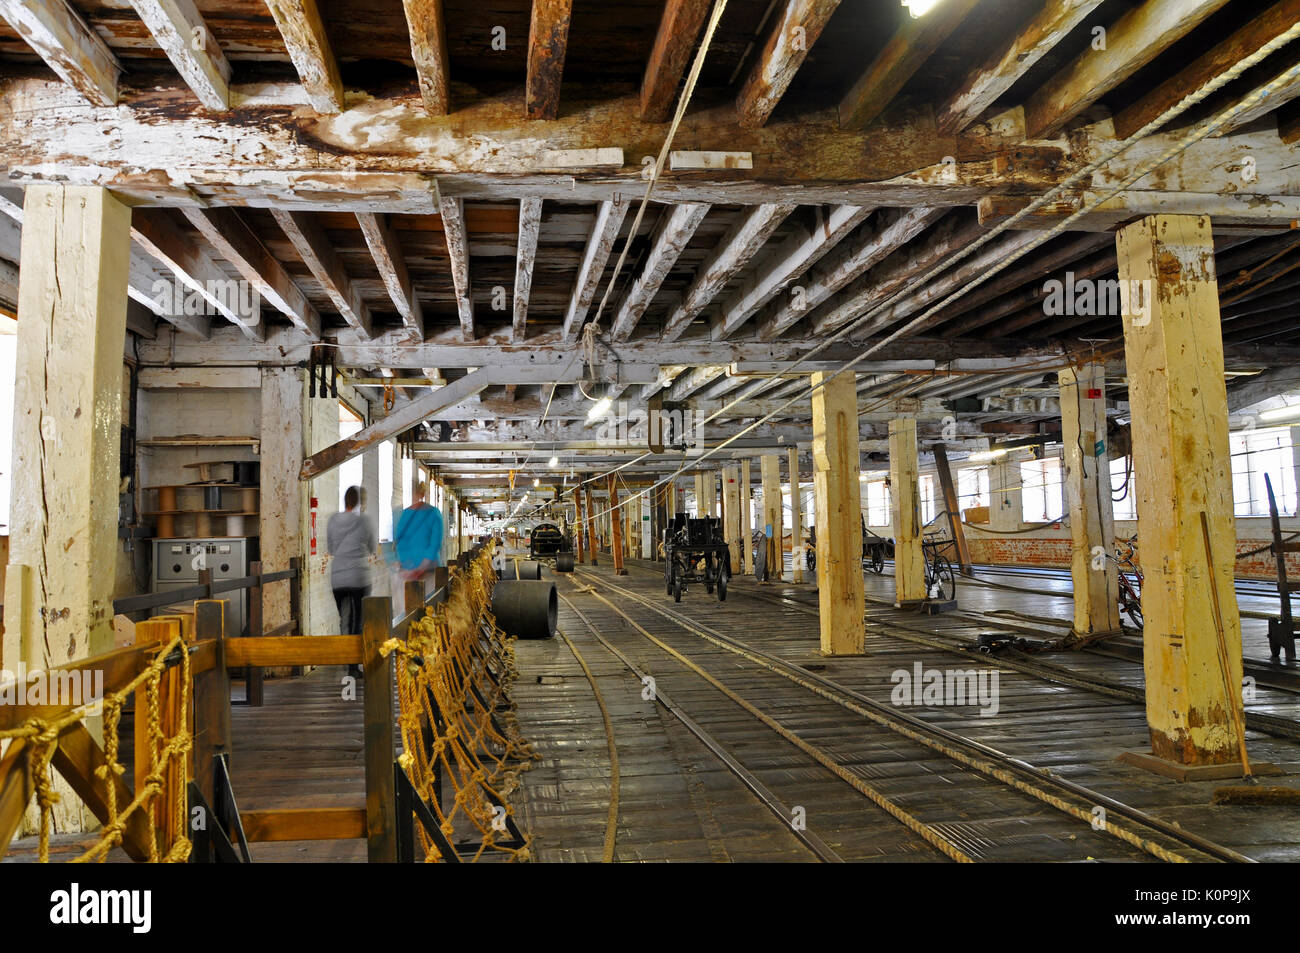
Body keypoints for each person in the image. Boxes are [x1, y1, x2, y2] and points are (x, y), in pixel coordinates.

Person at [327, 486, 376, 677]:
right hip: (358, 576)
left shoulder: (332, 520)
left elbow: (331, 548)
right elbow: (372, 547)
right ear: (359, 502)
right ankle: (354, 666)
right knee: (357, 620)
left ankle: (344, 656)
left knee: (344, 619)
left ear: (345, 500)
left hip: (338, 576)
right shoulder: (364, 521)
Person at [393, 481, 443, 581]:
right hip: (429, 569)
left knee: (409, 596)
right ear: (423, 494)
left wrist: (406, 564)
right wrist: (422, 567)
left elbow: (399, 542)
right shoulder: (434, 513)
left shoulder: (405, 514)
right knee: (432, 596)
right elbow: (435, 544)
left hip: (408, 571)